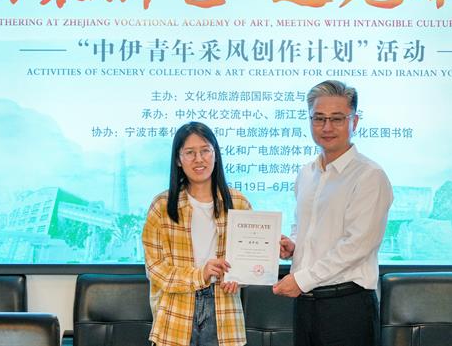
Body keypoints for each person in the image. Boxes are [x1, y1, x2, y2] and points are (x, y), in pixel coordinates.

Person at [272, 80, 393, 346]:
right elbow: (305, 227)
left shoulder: (369, 176)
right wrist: (294, 245)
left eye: (337, 119)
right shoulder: (306, 173)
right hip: (305, 305)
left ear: (354, 122)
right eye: (319, 118)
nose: (326, 127)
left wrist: (302, 280)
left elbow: (357, 245)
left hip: (346, 306)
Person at [142, 121, 251, 346]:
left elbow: (250, 261)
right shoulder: (161, 206)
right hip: (176, 312)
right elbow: (156, 270)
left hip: (225, 311)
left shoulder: (238, 203)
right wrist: (201, 274)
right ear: (178, 159)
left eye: (205, 151)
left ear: (215, 154)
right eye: (190, 153)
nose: (199, 159)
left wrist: (239, 278)